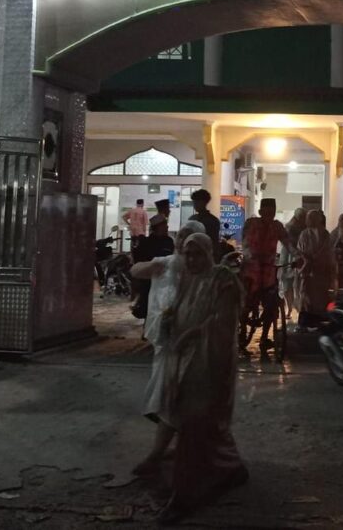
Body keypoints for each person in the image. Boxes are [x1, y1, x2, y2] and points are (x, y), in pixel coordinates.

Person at [161, 233, 246, 521]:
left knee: (194, 425)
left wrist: (195, 334)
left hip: (211, 362)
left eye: (197, 253)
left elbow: (225, 322)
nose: (192, 259)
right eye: (187, 254)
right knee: (207, 426)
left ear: (209, 253)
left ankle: (184, 495)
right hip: (186, 361)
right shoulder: (188, 279)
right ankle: (231, 468)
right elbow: (179, 310)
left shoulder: (222, 279)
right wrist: (170, 321)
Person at [129, 220, 206, 476]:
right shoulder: (167, 263)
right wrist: (151, 266)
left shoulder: (205, 274)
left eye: (189, 238)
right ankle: (180, 445)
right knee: (170, 398)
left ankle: (157, 454)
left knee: (171, 398)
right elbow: (136, 270)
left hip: (187, 345)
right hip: (167, 340)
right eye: (181, 236)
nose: (182, 241)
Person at [241, 198, 293, 353]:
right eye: (267, 212)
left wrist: (297, 255)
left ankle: (264, 337)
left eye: (272, 212)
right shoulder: (251, 224)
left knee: (272, 304)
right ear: (260, 212)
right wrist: (249, 255)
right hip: (251, 270)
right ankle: (242, 330)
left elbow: (288, 243)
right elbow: (245, 243)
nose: (270, 215)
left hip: (269, 271)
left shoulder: (277, 227)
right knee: (246, 302)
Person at [295, 210, 336, 328]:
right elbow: (300, 251)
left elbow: (328, 251)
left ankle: (319, 321)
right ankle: (305, 322)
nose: (307, 221)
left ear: (318, 219)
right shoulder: (304, 234)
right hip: (308, 272)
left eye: (310, 218)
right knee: (307, 298)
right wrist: (306, 261)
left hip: (321, 273)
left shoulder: (325, 234)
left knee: (321, 299)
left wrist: (318, 258)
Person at [131, 214, 175, 320]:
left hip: (166, 282)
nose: (167, 227)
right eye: (164, 225)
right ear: (157, 227)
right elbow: (139, 263)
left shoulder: (169, 241)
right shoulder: (146, 242)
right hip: (149, 282)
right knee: (149, 308)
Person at [281, 207, 308, 315]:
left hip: (297, 256)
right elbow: (288, 243)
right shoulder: (290, 227)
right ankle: (290, 307)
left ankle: (296, 307)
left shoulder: (305, 227)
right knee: (288, 283)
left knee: (296, 283)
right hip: (290, 256)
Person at [188, 189, 221, 255]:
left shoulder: (192, 219)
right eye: (194, 202)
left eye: (196, 202)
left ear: (204, 202)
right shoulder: (214, 220)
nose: (194, 205)